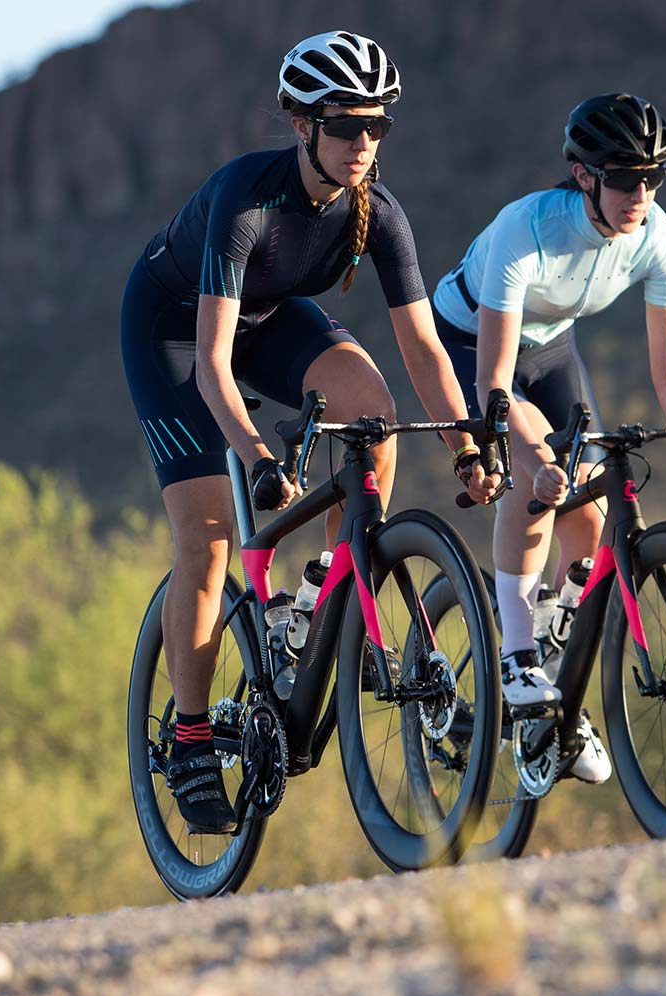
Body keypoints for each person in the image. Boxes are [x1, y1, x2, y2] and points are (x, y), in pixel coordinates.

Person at [122, 30, 501, 834]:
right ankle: (191, 739)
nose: (364, 144)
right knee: (213, 534)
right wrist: (258, 457)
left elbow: (425, 349)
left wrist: (466, 444)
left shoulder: (379, 213)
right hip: (176, 330)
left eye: (378, 127)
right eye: (345, 126)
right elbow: (216, 366)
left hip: (269, 317)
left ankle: (331, 587)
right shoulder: (246, 200)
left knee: (373, 408)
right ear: (302, 125)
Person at [429, 93, 666, 783]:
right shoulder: (528, 228)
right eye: (624, 177)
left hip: (549, 349)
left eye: (653, 177)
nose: (640, 193)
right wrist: (533, 457)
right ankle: (518, 660)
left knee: (592, 517)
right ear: (584, 176)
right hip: (467, 340)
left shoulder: (660, 238)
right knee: (542, 467)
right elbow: (492, 382)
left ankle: (557, 676)